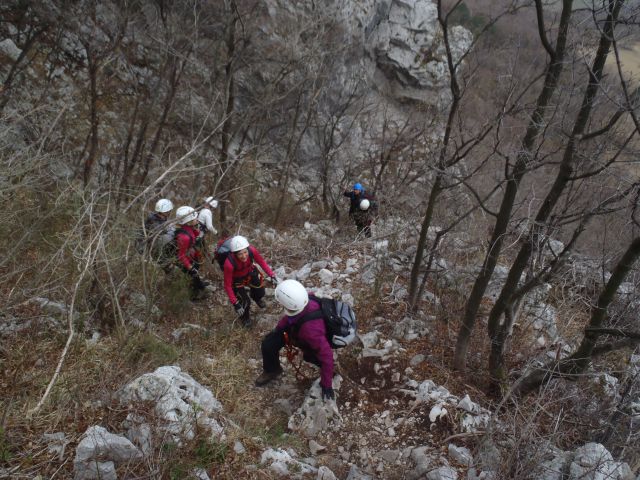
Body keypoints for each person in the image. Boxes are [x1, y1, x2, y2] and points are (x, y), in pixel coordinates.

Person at [254, 279, 335, 401]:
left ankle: (331, 372)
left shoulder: (311, 331)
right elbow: (290, 318)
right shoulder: (304, 299)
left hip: (309, 333)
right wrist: (278, 329)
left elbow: (327, 355)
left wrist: (326, 384)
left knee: (311, 357)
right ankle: (272, 370)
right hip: (300, 326)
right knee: (268, 344)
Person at [223, 235, 276, 327]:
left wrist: (271, 274)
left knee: (260, 291)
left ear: (248, 249)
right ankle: (245, 318)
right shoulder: (229, 264)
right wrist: (235, 302)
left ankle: (257, 298)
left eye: (245, 252)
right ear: (235, 254)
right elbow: (227, 285)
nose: (244, 256)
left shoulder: (252, 251)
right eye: (240, 254)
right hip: (236, 280)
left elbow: (261, 262)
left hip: (249, 273)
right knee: (245, 302)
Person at [174, 206, 210, 299]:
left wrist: (197, 230)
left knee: (196, 274)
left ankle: (200, 284)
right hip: (187, 261)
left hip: (192, 255)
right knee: (192, 276)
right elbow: (181, 255)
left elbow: (195, 235)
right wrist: (190, 267)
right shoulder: (183, 237)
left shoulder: (188, 228)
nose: (197, 219)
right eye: (195, 218)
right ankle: (194, 294)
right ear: (188, 221)